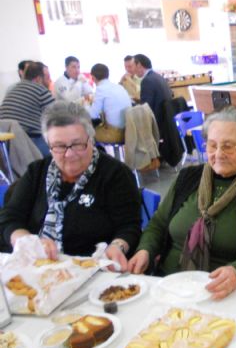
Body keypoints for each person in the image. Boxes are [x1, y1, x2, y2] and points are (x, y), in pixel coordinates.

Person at [128, 105, 236, 300]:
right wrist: (145, 250)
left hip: (227, 293)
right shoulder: (188, 178)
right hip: (170, 286)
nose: (218, 153)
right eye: (212, 145)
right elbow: (158, 224)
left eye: (228, 146)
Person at [0, 101, 141, 269]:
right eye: (59, 146)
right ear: (49, 146)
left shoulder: (115, 174)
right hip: (34, 268)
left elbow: (129, 227)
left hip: (91, 269)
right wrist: (26, 241)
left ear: (91, 139)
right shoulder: (37, 172)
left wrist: (117, 246)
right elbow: (9, 219)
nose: (69, 154)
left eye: (77, 144)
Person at [0, 61, 55, 156]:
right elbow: (58, 118)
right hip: (29, 141)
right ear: (38, 79)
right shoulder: (41, 91)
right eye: (47, 77)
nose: (49, 80)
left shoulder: (12, 89)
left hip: (5, 145)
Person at [89, 63, 132, 142]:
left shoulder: (101, 89)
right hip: (127, 132)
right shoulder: (118, 87)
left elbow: (93, 114)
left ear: (93, 77)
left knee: (86, 133)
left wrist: (85, 105)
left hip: (114, 134)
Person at [133, 53, 172, 127]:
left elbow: (146, 108)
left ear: (139, 65)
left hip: (157, 123)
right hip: (166, 119)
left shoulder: (147, 80)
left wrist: (132, 105)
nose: (133, 70)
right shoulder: (157, 76)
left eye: (133, 66)